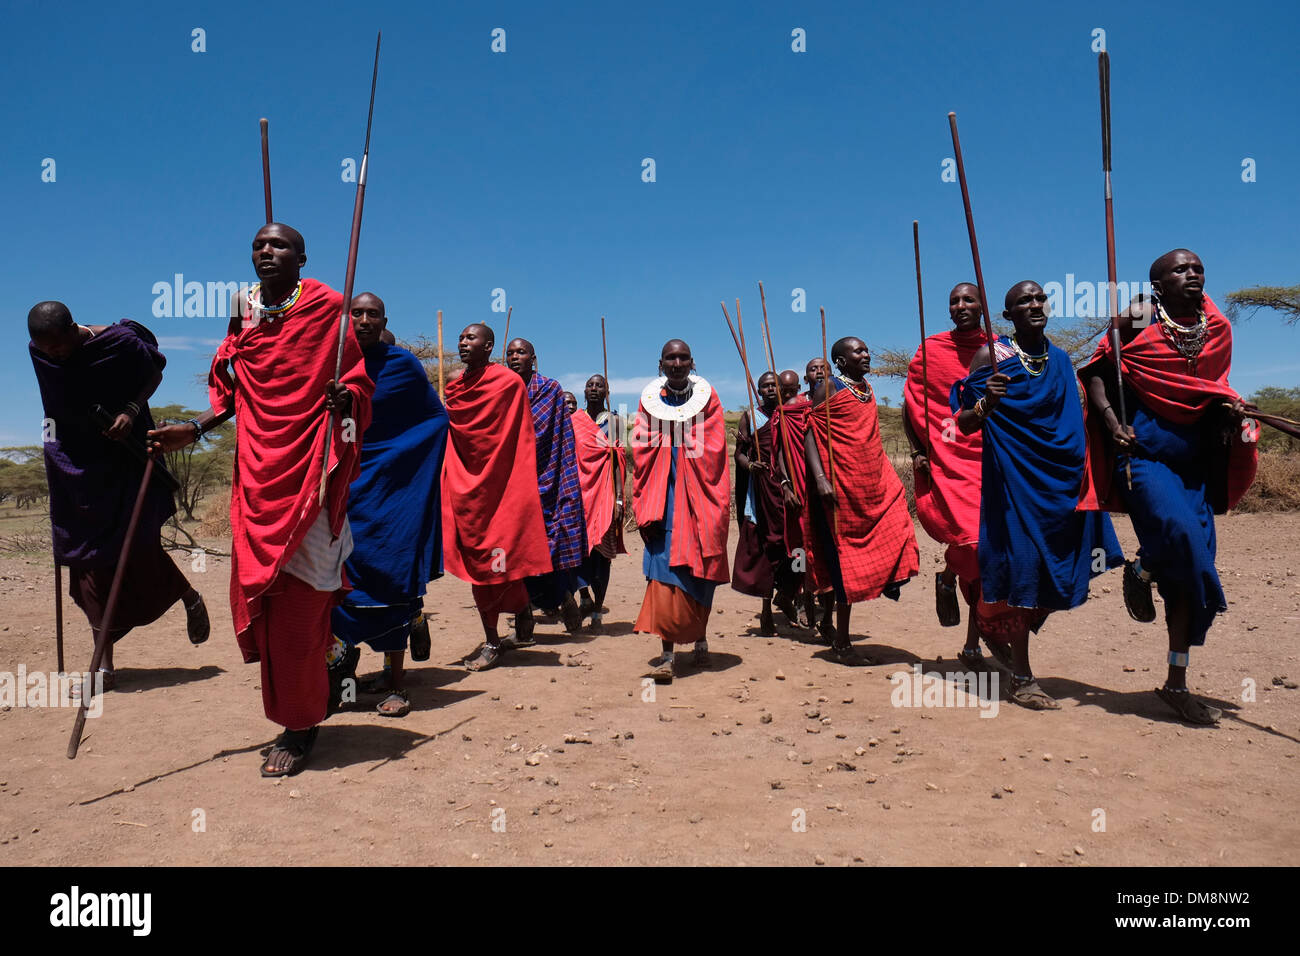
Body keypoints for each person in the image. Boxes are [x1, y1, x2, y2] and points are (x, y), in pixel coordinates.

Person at [148, 222, 374, 776]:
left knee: (300, 606)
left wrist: (346, 396)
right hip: (257, 476)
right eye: (257, 245)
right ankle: (327, 668)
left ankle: (300, 727)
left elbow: (359, 382)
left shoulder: (327, 305)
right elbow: (230, 390)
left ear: (302, 257)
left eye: (278, 245)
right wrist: (192, 428)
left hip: (311, 476)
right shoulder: (243, 311)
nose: (265, 252)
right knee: (269, 605)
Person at [1079, 249, 1257, 725]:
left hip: (1194, 460)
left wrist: (1230, 409)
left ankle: (1175, 681)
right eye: (1180, 270)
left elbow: (1213, 385)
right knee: (1181, 539)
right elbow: (1098, 371)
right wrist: (1113, 421)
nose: (1193, 274)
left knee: (1190, 569)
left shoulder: (1215, 325)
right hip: (1143, 454)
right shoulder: (1138, 316)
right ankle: (1147, 565)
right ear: (1158, 284)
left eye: (1198, 267)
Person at [953, 281, 1122, 710]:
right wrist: (984, 404)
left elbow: (1075, 422)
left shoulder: (1062, 361)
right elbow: (965, 424)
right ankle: (1022, 676)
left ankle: (996, 628)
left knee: (1058, 572)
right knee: (1024, 569)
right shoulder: (991, 358)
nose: (1034, 304)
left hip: (1061, 484)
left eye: (1039, 298)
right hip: (1013, 482)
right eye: (1023, 301)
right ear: (1007, 315)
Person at [28, 302, 209, 690]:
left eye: (59, 348)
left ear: (73, 329)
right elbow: (57, 404)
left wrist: (129, 409)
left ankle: (187, 594)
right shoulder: (39, 351)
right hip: (74, 462)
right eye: (47, 351)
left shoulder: (119, 342)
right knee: (86, 560)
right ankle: (105, 666)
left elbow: (154, 372)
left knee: (137, 547)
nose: (54, 356)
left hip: (124, 454)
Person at [328, 293, 448, 717]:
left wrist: (404, 465)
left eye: (372, 313)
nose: (363, 319)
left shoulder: (401, 365)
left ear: (384, 320)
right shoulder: (333, 366)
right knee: (336, 582)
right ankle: (343, 679)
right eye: (355, 313)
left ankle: (397, 684)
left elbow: (435, 418)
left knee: (390, 578)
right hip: (343, 486)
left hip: (391, 492)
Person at [441, 324, 552, 671]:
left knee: (499, 563)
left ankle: (497, 635)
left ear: (489, 346)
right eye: (461, 337)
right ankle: (505, 625)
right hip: (465, 487)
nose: (462, 342)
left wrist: (517, 484)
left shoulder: (507, 384)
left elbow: (519, 438)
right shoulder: (454, 387)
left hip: (502, 488)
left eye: (470, 338)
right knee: (478, 565)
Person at [803, 337, 919, 663]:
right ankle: (841, 643)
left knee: (900, 522)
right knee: (844, 561)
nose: (866, 354)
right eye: (858, 351)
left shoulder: (865, 387)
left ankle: (889, 580)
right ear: (840, 361)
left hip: (869, 482)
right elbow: (810, 433)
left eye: (867, 349)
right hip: (840, 486)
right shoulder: (829, 388)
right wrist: (821, 479)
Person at [631, 340, 730, 682]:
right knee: (665, 572)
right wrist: (665, 442)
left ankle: (700, 638)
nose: (677, 362)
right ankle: (667, 654)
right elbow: (640, 444)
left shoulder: (709, 398)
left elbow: (714, 445)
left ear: (692, 362)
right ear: (661, 364)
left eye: (683, 357)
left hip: (701, 494)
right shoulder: (649, 402)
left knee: (700, 568)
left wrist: (683, 438)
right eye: (670, 358)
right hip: (664, 495)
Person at [902, 283, 989, 666]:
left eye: (969, 299)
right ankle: (951, 572)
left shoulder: (1001, 350)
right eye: (953, 300)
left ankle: (972, 643)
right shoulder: (930, 350)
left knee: (991, 551)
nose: (960, 305)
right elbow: (912, 406)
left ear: (984, 306)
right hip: (950, 459)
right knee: (970, 543)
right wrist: (920, 451)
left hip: (994, 459)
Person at [505, 338, 588, 634]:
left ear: (533, 358)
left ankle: (563, 598)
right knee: (514, 550)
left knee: (543, 550)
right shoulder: (502, 389)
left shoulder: (550, 390)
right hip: (509, 482)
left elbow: (556, 436)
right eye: (510, 353)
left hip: (547, 480)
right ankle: (524, 616)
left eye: (521, 352)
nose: (515, 357)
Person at [732, 371, 801, 633]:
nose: (770, 389)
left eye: (774, 385)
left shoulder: (791, 414)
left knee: (798, 548)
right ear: (758, 391)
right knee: (765, 551)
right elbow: (739, 454)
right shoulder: (751, 416)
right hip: (761, 490)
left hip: (791, 488)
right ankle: (764, 612)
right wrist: (750, 465)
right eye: (765, 386)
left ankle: (790, 594)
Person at [571, 374, 627, 627]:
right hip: (579, 494)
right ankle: (583, 596)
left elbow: (619, 462)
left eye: (599, 386)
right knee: (578, 553)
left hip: (604, 494)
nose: (594, 389)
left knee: (602, 554)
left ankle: (596, 608)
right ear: (584, 391)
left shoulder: (615, 421)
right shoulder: (573, 421)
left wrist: (618, 498)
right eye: (590, 385)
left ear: (607, 391)